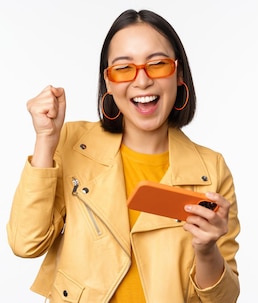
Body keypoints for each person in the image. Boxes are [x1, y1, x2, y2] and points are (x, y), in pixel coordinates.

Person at [6, 9, 240, 303]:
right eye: (123, 68)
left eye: (157, 64)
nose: (142, 81)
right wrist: (45, 141)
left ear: (179, 74)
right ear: (108, 82)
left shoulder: (211, 168)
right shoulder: (73, 143)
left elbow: (225, 299)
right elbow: (26, 243)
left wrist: (207, 249)